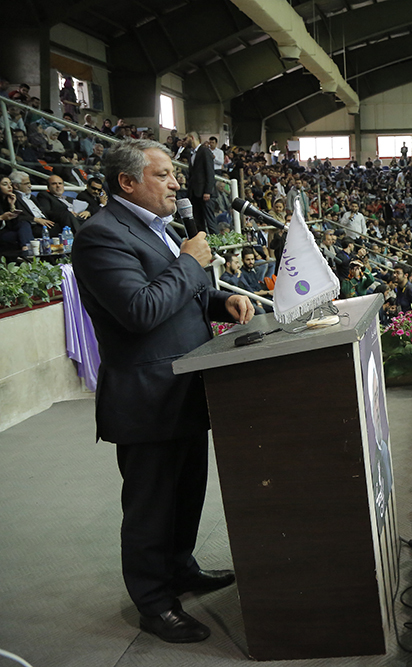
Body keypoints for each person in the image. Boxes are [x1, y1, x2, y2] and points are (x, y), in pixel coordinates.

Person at [72, 139, 254, 643]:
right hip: (147, 396)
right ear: (127, 182)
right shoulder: (100, 236)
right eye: (164, 175)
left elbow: (180, 296)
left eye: (175, 175)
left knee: (186, 493)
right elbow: (139, 311)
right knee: (151, 507)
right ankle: (153, 601)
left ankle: (180, 567)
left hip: (186, 387)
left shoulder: (158, 230)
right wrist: (193, 263)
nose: (177, 183)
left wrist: (223, 302)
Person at [184, 132, 217, 233]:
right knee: (198, 221)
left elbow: (210, 172)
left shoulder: (204, 151)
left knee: (210, 221)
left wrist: (208, 191)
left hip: (204, 192)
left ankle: (218, 245)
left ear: (192, 138)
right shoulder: (192, 153)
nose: (184, 141)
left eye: (186, 138)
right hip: (195, 193)